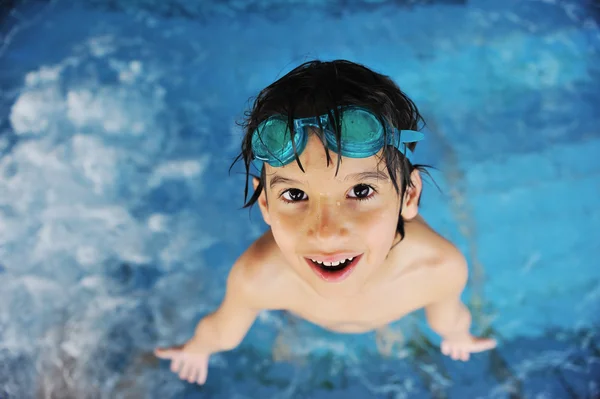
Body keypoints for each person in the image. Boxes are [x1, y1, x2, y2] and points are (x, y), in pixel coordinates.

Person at [154, 59, 497, 385]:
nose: (326, 232)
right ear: (266, 203)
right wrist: (199, 349)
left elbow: (449, 318)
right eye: (295, 195)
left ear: (408, 195)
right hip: (299, 303)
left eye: (360, 191)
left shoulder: (437, 268)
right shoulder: (258, 278)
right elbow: (221, 333)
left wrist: (457, 337)